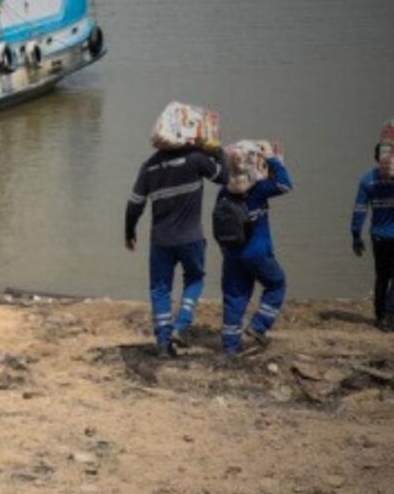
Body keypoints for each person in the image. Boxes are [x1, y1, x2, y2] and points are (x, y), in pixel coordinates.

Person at [125, 138, 227, 357]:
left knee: (160, 288)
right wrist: (218, 152)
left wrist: (129, 231)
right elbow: (224, 177)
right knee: (195, 279)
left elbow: (135, 204)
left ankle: (163, 343)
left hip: (161, 240)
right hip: (191, 238)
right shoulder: (196, 159)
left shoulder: (149, 167)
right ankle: (181, 325)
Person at [217, 152, 293, 355]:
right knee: (277, 284)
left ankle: (230, 347)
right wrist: (273, 159)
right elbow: (285, 184)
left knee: (234, 297)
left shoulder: (223, 192)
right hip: (257, 253)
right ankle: (259, 325)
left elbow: (218, 224)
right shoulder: (258, 190)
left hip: (232, 254)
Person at [352, 121, 394, 331]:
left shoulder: (367, 180)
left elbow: (360, 210)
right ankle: (387, 314)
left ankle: (380, 316)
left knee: (382, 276)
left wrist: (356, 236)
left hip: (378, 236)